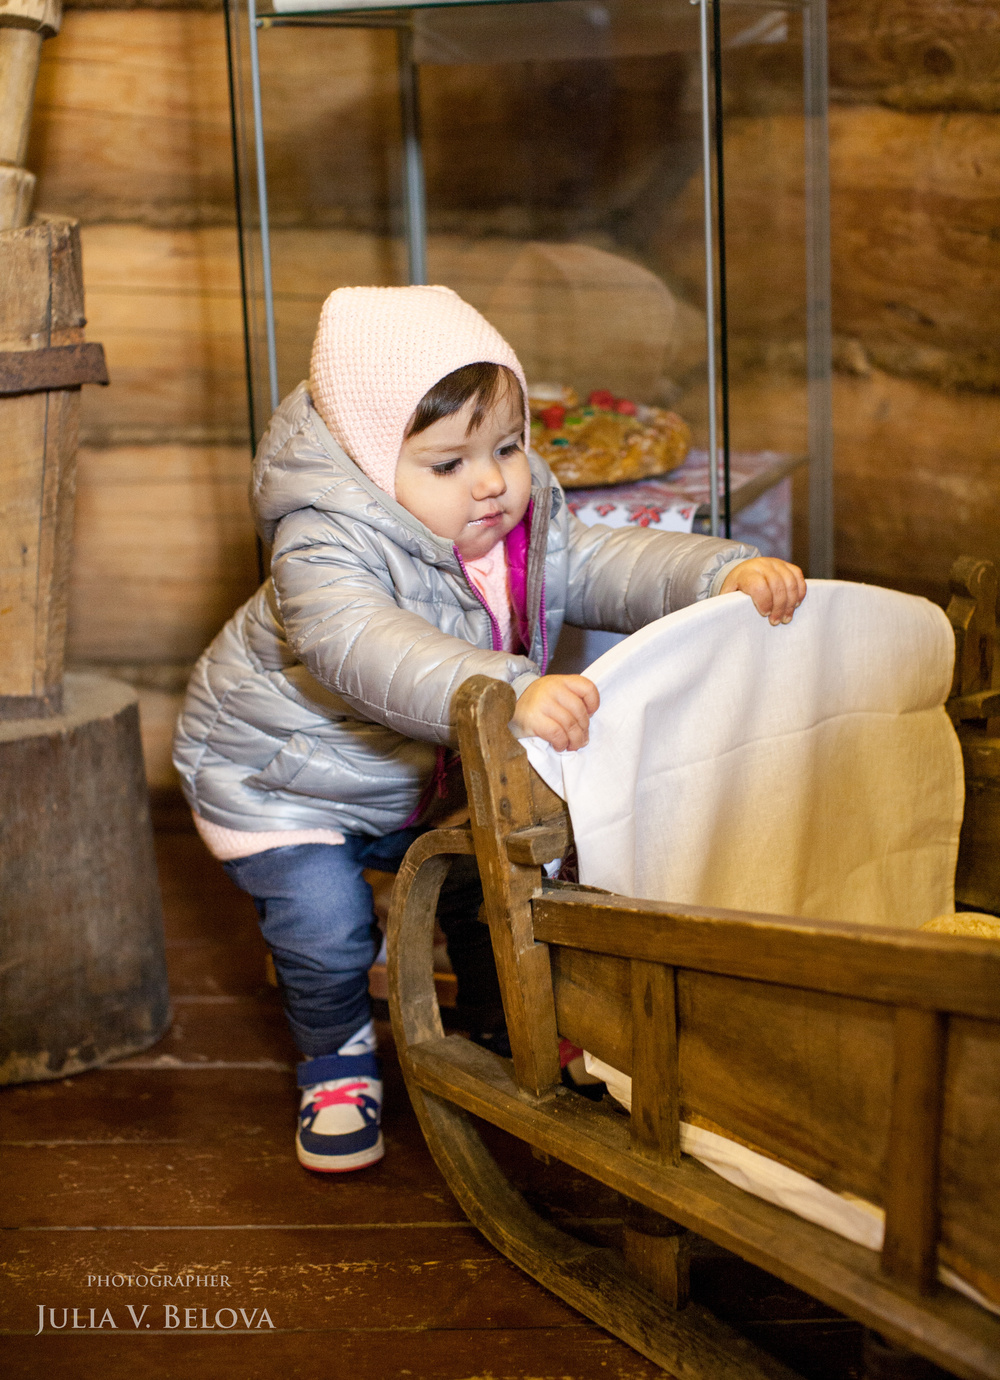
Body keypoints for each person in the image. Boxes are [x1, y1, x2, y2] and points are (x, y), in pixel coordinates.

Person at [173, 285, 805, 1175]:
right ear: (363, 463)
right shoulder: (321, 543)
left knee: (487, 876)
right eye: (448, 463)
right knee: (327, 924)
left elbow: (593, 560)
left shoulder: (513, 515)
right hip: (288, 777)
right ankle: (337, 1059)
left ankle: (504, 1017)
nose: (492, 481)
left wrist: (719, 575)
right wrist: (511, 687)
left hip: (424, 773)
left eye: (507, 446)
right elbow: (365, 648)